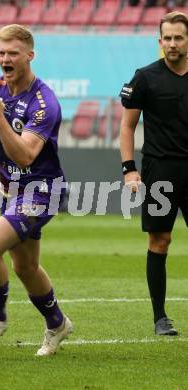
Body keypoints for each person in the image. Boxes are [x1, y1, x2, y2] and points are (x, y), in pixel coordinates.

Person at [0, 24, 72, 356]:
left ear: (29, 56)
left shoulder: (44, 102)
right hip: (12, 191)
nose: (5, 59)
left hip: (42, 191)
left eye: (13, 53)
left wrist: (0, 120)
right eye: (1, 53)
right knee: (25, 267)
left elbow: (24, 154)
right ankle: (57, 323)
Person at [119, 11, 188, 336]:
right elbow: (127, 127)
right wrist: (129, 170)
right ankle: (160, 317)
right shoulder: (144, 78)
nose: (172, 44)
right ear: (160, 41)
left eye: (179, 37)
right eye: (168, 38)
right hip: (160, 171)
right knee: (160, 240)